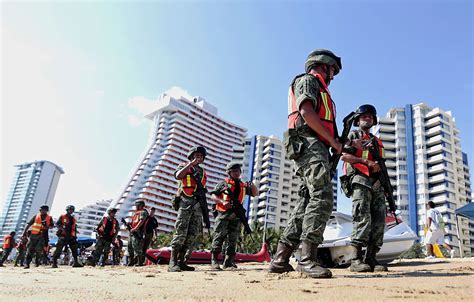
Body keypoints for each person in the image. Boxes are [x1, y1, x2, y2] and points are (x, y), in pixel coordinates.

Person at [269, 49, 352, 278]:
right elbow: (306, 112)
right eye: (332, 70)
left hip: (316, 145)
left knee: (306, 202)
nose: (333, 76)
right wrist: (334, 142)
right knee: (322, 197)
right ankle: (307, 259)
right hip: (309, 143)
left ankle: (280, 259)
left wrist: (334, 144)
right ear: (322, 66)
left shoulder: (320, 88)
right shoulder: (307, 81)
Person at [340, 104, 388, 272]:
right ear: (358, 120)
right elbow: (344, 156)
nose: (367, 118)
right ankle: (356, 260)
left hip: (377, 184)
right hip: (360, 179)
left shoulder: (377, 142)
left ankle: (371, 258)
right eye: (364, 116)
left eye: (370, 117)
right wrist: (365, 162)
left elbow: (381, 165)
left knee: (380, 221)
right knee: (362, 218)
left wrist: (385, 185)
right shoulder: (352, 136)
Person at [210, 162, 258, 270]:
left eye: (238, 171)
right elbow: (213, 195)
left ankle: (228, 261)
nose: (237, 173)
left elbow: (255, 193)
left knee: (233, 239)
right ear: (229, 173)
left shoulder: (243, 185)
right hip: (223, 214)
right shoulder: (224, 183)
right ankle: (214, 260)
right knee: (219, 236)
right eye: (234, 171)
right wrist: (222, 201)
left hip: (236, 215)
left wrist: (252, 185)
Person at [168, 146, 208, 272]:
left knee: (192, 235)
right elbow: (178, 176)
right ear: (191, 156)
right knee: (181, 232)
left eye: (201, 156)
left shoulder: (202, 171)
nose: (198, 157)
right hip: (185, 202)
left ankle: (182, 262)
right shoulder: (183, 166)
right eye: (196, 155)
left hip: (197, 205)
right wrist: (190, 165)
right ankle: (172, 263)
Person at [128, 199, 149, 266]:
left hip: (138, 232)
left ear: (141, 205)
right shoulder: (136, 213)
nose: (136, 206)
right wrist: (130, 224)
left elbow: (141, 221)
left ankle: (139, 262)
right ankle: (131, 261)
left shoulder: (143, 212)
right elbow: (134, 222)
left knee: (137, 247)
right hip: (132, 232)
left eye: (137, 205)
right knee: (130, 246)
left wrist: (135, 228)